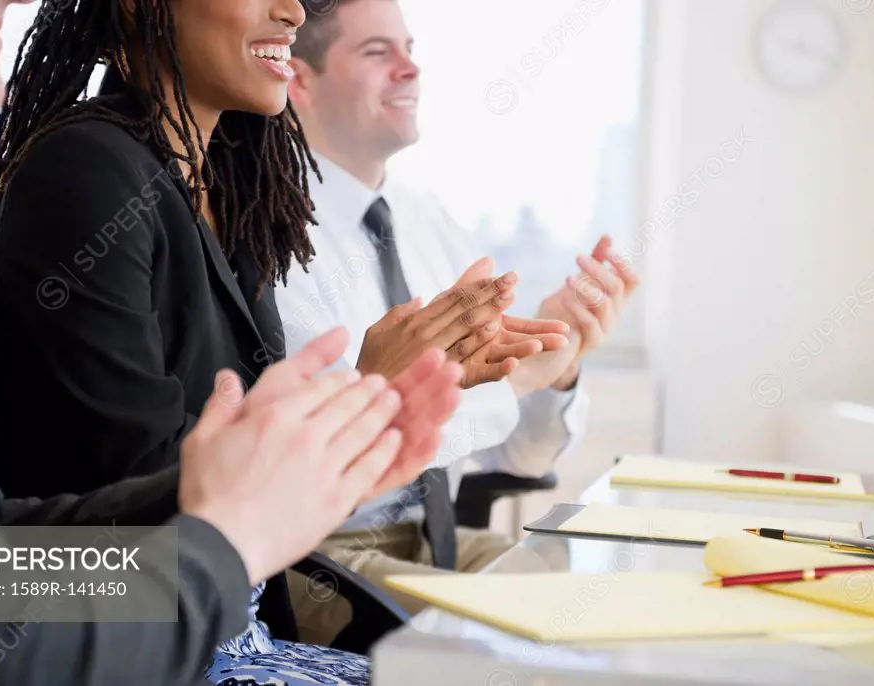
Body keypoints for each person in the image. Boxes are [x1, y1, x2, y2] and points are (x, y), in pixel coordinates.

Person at [0, 0, 540, 682]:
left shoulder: (228, 190)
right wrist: (361, 395)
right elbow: (138, 486)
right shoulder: (85, 171)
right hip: (145, 644)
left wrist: (380, 397)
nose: (291, 10)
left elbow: (244, 470)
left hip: (238, 627)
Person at [275, 0, 642, 639]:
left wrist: (555, 359)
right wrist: (512, 383)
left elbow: (520, 457)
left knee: (616, 593)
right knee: (541, 637)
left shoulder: (430, 223)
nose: (410, 68)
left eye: (409, 47)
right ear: (300, 80)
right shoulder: (269, 233)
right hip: (324, 556)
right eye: (376, 52)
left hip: (437, 538)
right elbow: (342, 448)